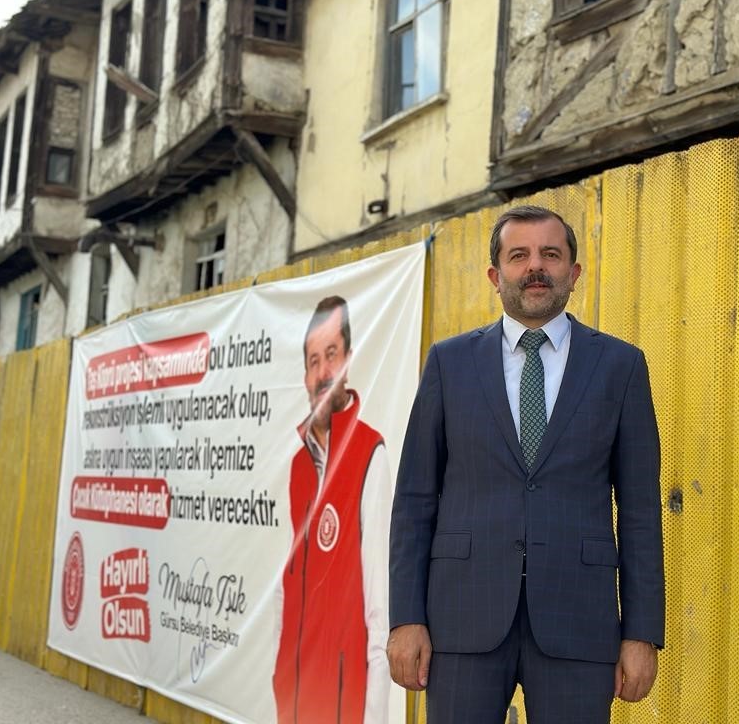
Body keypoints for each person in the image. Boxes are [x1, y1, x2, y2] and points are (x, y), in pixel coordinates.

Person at [387, 206, 665, 723]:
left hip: (578, 622)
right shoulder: (449, 363)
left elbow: (641, 512)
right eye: (519, 256)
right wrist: (405, 618)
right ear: (496, 276)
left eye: (550, 255)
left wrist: (641, 633)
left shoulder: (621, 366)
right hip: (461, 618)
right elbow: (414, 501)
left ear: (574, 273)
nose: (535, 267)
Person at [274, 296, 391, 724]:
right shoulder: (297, 467)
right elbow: (285, 590)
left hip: (346, 706)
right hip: (296, 704)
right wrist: (280, 683)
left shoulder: (369, 453)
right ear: (305, 376)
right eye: (313, 361)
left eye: (331, 355)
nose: (323, 371)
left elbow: (380, 610)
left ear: (348, 360)